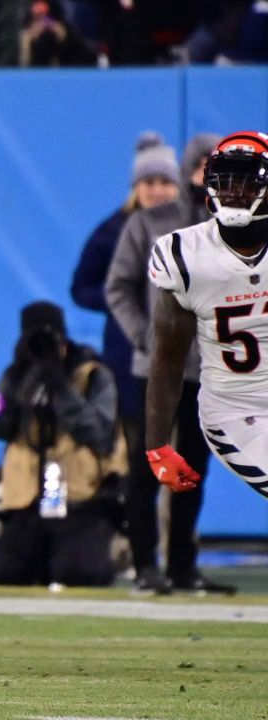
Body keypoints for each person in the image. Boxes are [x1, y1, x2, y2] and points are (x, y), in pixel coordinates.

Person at [105, 132, 233, 596]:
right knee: (148, 468)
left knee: (193, 472)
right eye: (201, 166)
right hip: (156, 373)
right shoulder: (150, 223)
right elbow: (117, 286)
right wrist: (148, 338)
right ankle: (145, 566)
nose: (207, 176)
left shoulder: (231, 226)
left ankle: (182, 566)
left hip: (207, 372)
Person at [146, 132, 268, 506]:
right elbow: (167, 359)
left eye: (246, 181)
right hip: (237, 413)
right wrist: (157, 447)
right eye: (224, 180)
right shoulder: (186, 256)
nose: (233, 191)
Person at [0, 302, 126, 588]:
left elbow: (98, 432)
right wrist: (19, 383)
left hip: (82, 499)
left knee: (79, 574)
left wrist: (60, 388)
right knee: (5, 574)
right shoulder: (17, 376)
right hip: (28, 500)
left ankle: (112, 548)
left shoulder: (92, 375)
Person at [73, 133, 179, 428]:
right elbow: (81, 288)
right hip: (128, 358)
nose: (158, 191)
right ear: (136, 188)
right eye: (149, 183)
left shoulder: (192, 228)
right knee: (136, 444)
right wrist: (124, 299)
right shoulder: (113, 231)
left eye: (165, 182)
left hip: (183, 362)